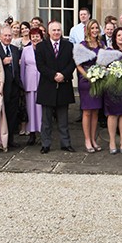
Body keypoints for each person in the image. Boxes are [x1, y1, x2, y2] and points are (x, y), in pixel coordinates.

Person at [35, 20, 76, 153]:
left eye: (58, 30)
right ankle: (45, 144)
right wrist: (54, 75)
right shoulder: (41, 46)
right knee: (46, 120)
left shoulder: (69, 45)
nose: (56, 32)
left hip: (64, 85)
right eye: (54, 30)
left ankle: (66, 143)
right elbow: (40, 65)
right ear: (48, 32)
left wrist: (63, 75)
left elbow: (72, 63)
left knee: (63, 119)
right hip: (48, 86)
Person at [73, 19, 104, 153]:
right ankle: (87, 140)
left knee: (95, 111)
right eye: (93, 28)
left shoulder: (101, 44)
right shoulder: (82, 45)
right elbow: (78, 64)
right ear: (88, 30)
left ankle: (93, 139)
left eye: (97, 28)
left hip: (98, 80)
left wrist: (101, 73)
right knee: (87, 111)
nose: (95, 30)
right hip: (86, 81)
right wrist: (87, 76)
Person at [102, 27, 122, 154]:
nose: (121, 37)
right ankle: (112, 141)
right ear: (114, 37)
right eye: (118, 35)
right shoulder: (109, 51)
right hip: (113, 87)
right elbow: (103, 67)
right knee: (113, 114)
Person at [0, 26, 23, 148]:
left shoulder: (15, 49)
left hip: (14, 86)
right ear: (0, 36)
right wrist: (2, 61)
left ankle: (10, 139)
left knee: (12, 114)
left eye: (9, 35)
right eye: (5, 35)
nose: (7, 38)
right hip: (1, 87)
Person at [19, 27, 43, 146]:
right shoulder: (26, 50)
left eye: (37, 36)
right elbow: (23, 67)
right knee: (31, 110)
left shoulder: (45, 48)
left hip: (42, 83)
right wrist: (23, 83)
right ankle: (32, 133)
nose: (35, 38)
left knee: (41, 110)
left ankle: (42, 133)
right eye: (33, 36)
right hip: (30, 83)